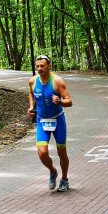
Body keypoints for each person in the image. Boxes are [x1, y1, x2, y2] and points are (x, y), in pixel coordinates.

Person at [28, 55, 73, 192]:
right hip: (42, 120)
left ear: (49, 66)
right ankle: (53, 171)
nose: (40, 68)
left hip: (58, 119)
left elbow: (69, 101)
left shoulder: (57, 81)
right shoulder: (32, 81)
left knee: (61, 151)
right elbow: (31, 94)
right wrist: (31, 107)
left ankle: (64, 179)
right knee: (42, 153)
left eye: (43, 66)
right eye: (38, 66)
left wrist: (59, 101)